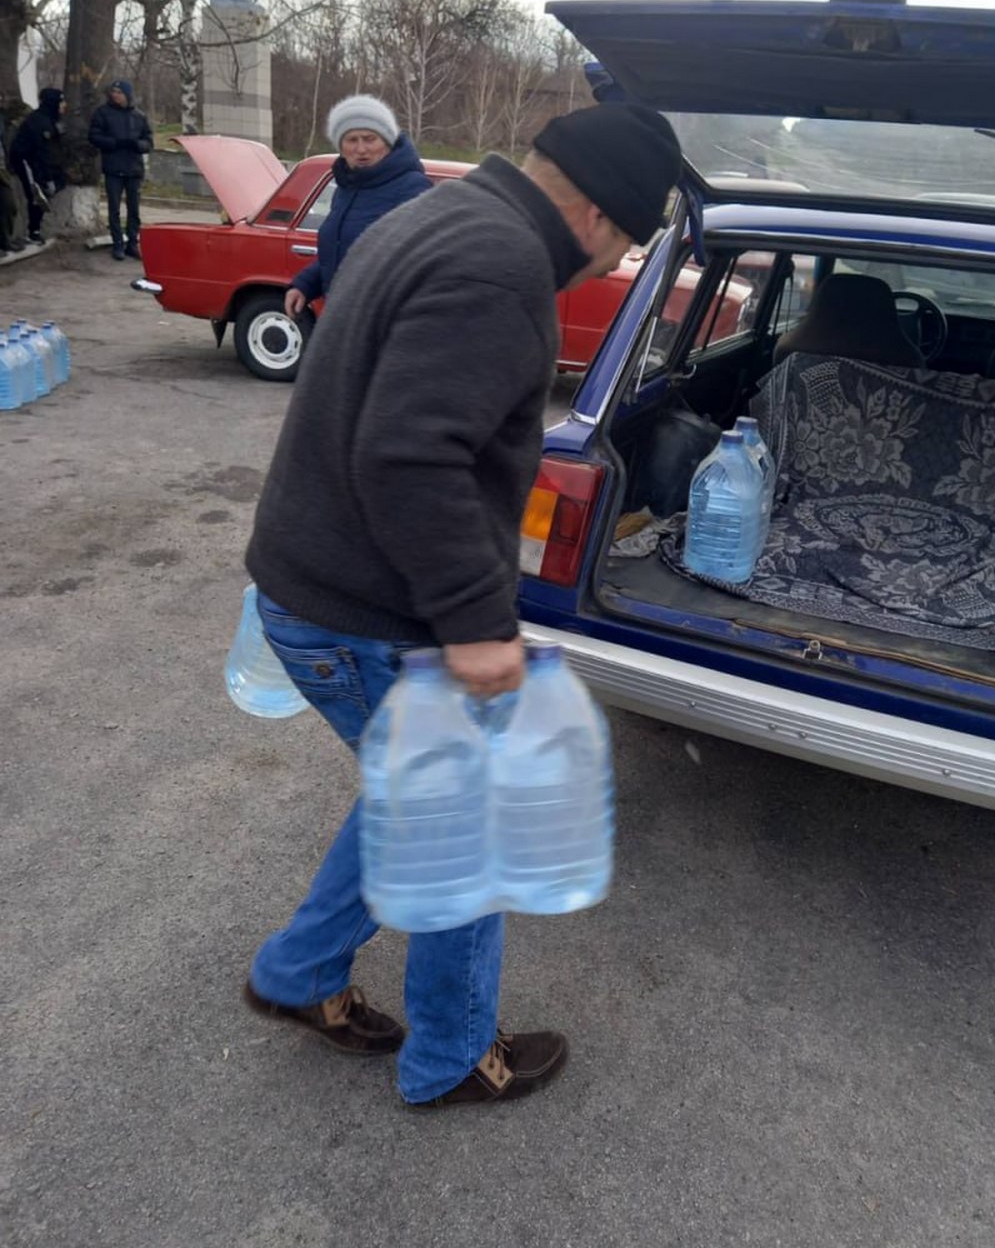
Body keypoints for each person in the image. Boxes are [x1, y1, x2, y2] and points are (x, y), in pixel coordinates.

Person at [242, 101, 682, 1108]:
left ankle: (298, 973)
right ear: (602, 218)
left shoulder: (438, 214)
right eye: (622, 247)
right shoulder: (501, 266)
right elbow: (410, 456)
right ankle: (450, 1057)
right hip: (365, 611)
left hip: (318, 583)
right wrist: (480, 627)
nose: (610, 268)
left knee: (415, 793)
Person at [284, 95, 431, 321]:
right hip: (342, 317)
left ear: (387, 141)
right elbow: (340, 253)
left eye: (370, 138)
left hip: (383, 323)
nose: (361, 149)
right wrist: (304, 285)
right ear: (340, 146)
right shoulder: (346, 188)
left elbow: (423, 266)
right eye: (351, 140)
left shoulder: (412, 187)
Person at [87, 78, 153, 261]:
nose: (115, 95)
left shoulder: (139, 116)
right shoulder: (103, 113)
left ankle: (132, 242)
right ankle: (117, 244)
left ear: (127, 95)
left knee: (134, 209)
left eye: (119, 92)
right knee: (114, 208)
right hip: (113, 167)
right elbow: (94, 136)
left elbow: (149, 141)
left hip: (134, 168)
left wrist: (138, 145)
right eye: (113, 92)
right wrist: (114, 143)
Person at [9, 88, 67, 245]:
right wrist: (47, 177)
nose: (64, 105)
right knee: (36, 195)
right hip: (26, 161)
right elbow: (40, 153)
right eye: (61, 101)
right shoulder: (38, 121)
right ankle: (32, 233)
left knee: (43, 195)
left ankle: (35, 231)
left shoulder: (53, 119)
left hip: (41, 162)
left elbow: (54, 149)